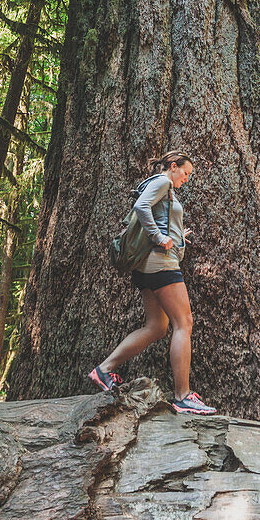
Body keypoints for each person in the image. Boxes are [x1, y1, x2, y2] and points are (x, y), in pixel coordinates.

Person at [88, 150, 216, 415]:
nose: (186, 178)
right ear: (173, 166)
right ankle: (182, 396)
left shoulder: (160, 185)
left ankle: (104, 369)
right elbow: (141, 207)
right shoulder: (162, 182)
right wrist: (160, 238)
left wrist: (178, 235)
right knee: (184, 323)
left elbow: (158, 214)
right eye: (185, 172)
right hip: (161, 264)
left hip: (146, 267)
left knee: (157, 326)